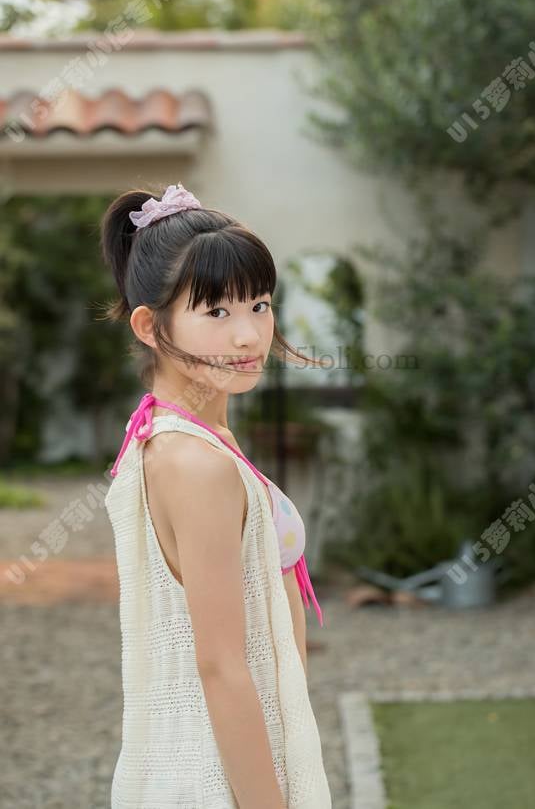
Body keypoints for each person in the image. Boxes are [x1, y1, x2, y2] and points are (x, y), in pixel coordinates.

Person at [99, 183, 333, 808]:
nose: (249, 335)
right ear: (150, 326)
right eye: (217, 312)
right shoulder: (194, 463)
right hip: (214, 777)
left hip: (227, 756)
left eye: (259, 304)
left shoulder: (177, 435)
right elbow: (222, 666)